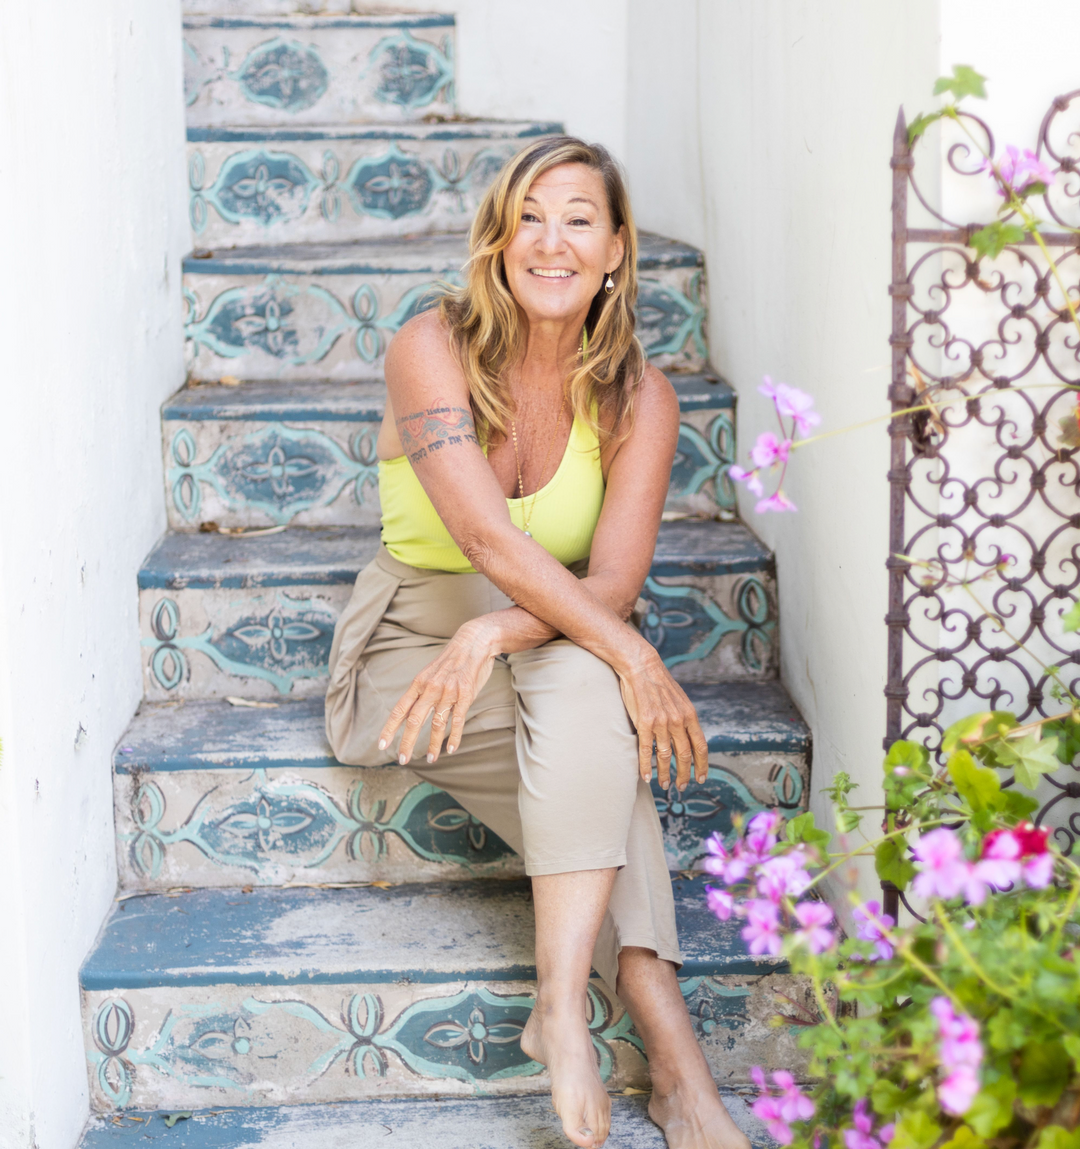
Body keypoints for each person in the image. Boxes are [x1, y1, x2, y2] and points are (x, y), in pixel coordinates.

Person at [325, 135, 752, 1149]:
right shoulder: (431, 345)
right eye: (530, 217)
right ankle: (683, 1077)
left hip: (543, 631)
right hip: (412, 652)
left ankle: (560, 1009)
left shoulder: (640, 396)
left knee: (585, 692)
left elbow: (609, 584)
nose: (550, 241)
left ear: (616, 249)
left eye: (579, 219)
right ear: (499, 238)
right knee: (605, 739)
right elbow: (482, 537)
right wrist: (628, 653)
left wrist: (508, 629)